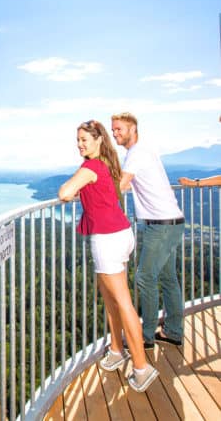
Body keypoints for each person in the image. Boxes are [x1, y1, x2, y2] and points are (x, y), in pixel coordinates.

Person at [59, 119, 158, 393]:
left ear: (98, 140)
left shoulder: (90, 167)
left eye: (84, 140)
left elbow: (64, 193)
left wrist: (76, 189)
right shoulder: (105, 163)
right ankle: (116, 349)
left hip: (107, 240)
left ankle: (142, 367)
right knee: (111, 298)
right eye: (77, 140)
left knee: (123, 303)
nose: (80, 145)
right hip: (121, 234)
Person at [111, 112, 185, 350]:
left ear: (133, 129)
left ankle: (145, 337)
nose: (115, 134)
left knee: (145, 277)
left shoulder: (136, 154)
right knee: (168, 278)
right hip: (172, 221)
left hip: (160, 226)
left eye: (119, 129)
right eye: (113, 130)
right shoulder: (146, 151)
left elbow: (121, 186)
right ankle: (173, 331)